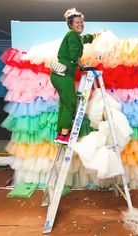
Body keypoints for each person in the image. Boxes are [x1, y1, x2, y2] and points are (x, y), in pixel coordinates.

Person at [50, 8, 100, 144]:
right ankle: (64, 134)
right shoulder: (72, 34)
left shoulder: (74, 36)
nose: (80, 24)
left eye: (82, 22)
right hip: (63, 75)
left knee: (65, 103)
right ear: (71, 24)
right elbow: (73, 55)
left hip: (60, 75)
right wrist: (83, 65)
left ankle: (61, 133)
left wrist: (95, 35)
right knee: (70, 103)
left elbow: (82, 39)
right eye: (77, 22)